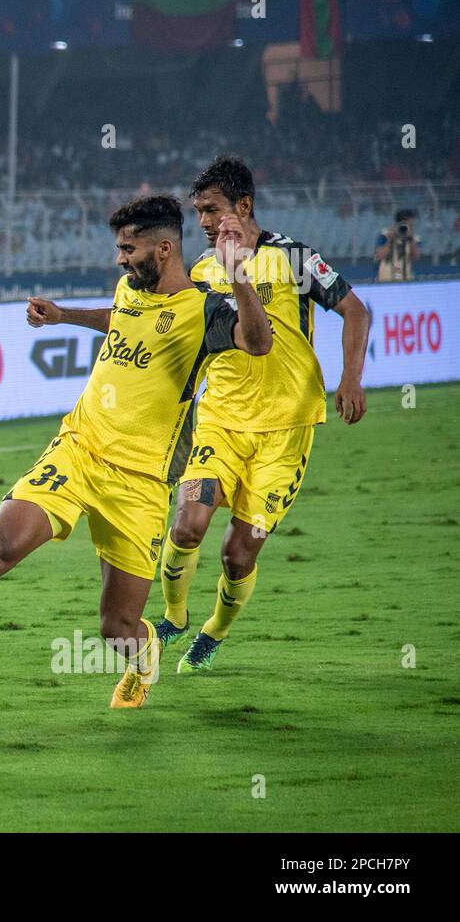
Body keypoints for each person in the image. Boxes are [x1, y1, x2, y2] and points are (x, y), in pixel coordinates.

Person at [0, 195, 271, 709]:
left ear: (165, 249)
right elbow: (120, 318)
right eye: (119, 249)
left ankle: (145, 659)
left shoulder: (206, 309)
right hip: (78, 450)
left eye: (129, 248)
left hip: (140, 483)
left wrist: (238, 276)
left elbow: (257, 342)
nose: (120, 259)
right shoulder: (129, 289)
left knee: (116, 626)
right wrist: (64, 315)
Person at [156, 156, 369, 672]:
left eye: (211, 210)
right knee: (187, 525)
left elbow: (355, 310)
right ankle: (173, 616)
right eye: (198, 212)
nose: (202, 222)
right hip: (221, 421)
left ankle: (213, 632)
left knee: (237, 555)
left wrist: (351, 378)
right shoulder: (201, 272)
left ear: (243, 206)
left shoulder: (294, 258)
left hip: (285, 430)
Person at [375, 208, 421, 281]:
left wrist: (411, 239)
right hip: (385, 280)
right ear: (397, 224)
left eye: (411, 225)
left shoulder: (415, 239)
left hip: (406, 280)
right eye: (407, 225)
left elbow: (416, 257)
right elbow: (380, 256)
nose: (409, 227)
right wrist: (390, 239)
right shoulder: (385, 235)